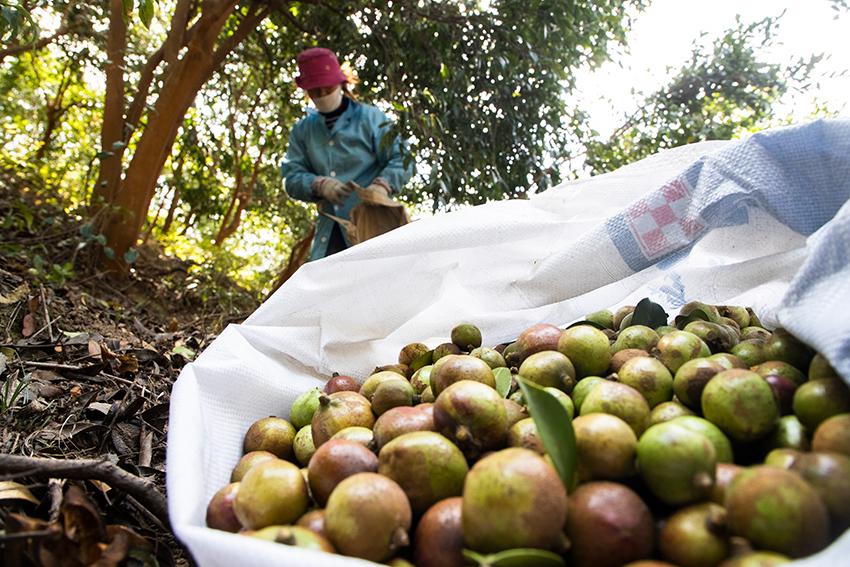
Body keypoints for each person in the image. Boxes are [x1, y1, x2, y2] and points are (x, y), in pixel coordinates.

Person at [281, 47, 414, 261]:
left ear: (341, 83)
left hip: (374, 226)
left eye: (328, 89)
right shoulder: (303, 131)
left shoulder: (371, 118)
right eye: (316, 92)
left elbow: (403, 159)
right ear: (307, 92)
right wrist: (318, 184)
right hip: (330, 233)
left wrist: (382, 186)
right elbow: (291, 177)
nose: (323, 95)